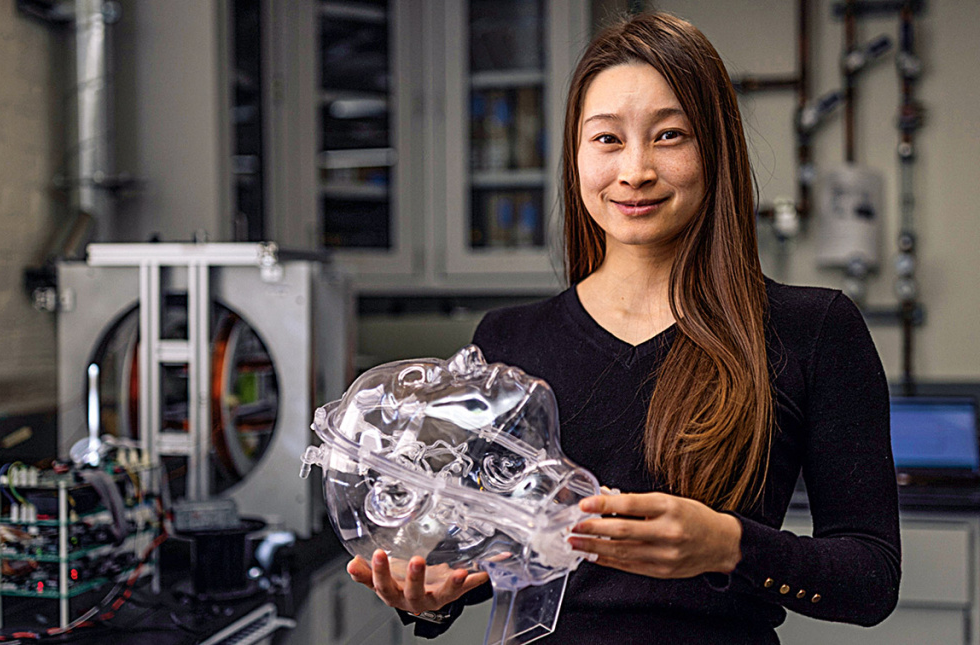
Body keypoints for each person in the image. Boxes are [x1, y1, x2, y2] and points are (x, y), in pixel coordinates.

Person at [347, 11, 901, 644]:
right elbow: (478, 553)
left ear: (714, 147)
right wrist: (432, 596)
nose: (634, 170)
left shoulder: (813, 329)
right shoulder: (507, 343)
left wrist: (729, 545)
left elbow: (872, 580)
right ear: (576, 154)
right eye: (607, 139)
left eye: (669, 136)